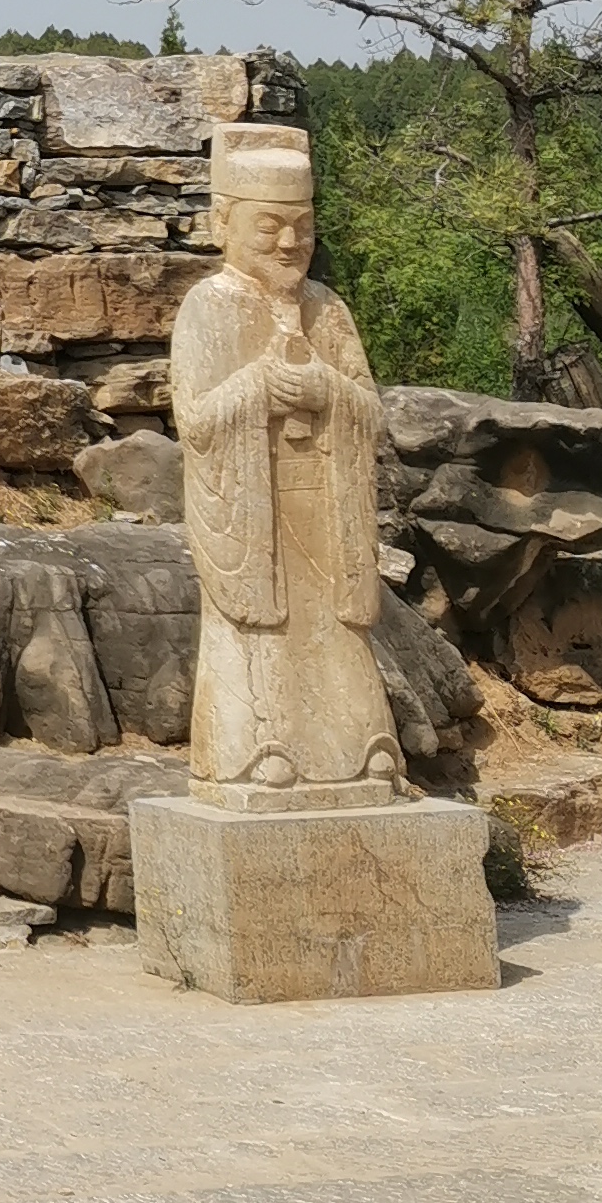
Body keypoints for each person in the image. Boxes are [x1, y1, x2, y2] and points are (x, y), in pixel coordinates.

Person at [169, 122, 404, 803]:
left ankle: (361, 755)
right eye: (269, 224)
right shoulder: (207, 309)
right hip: (253, 516)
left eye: (301, 225)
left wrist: (326, 390)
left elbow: (368, 406)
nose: (288, 242)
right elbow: (196, 421)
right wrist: (257, 389)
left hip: (324, 510)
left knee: (332, 632)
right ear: (224, 222)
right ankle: (259, 753)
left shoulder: (329, 312)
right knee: (261, 636)